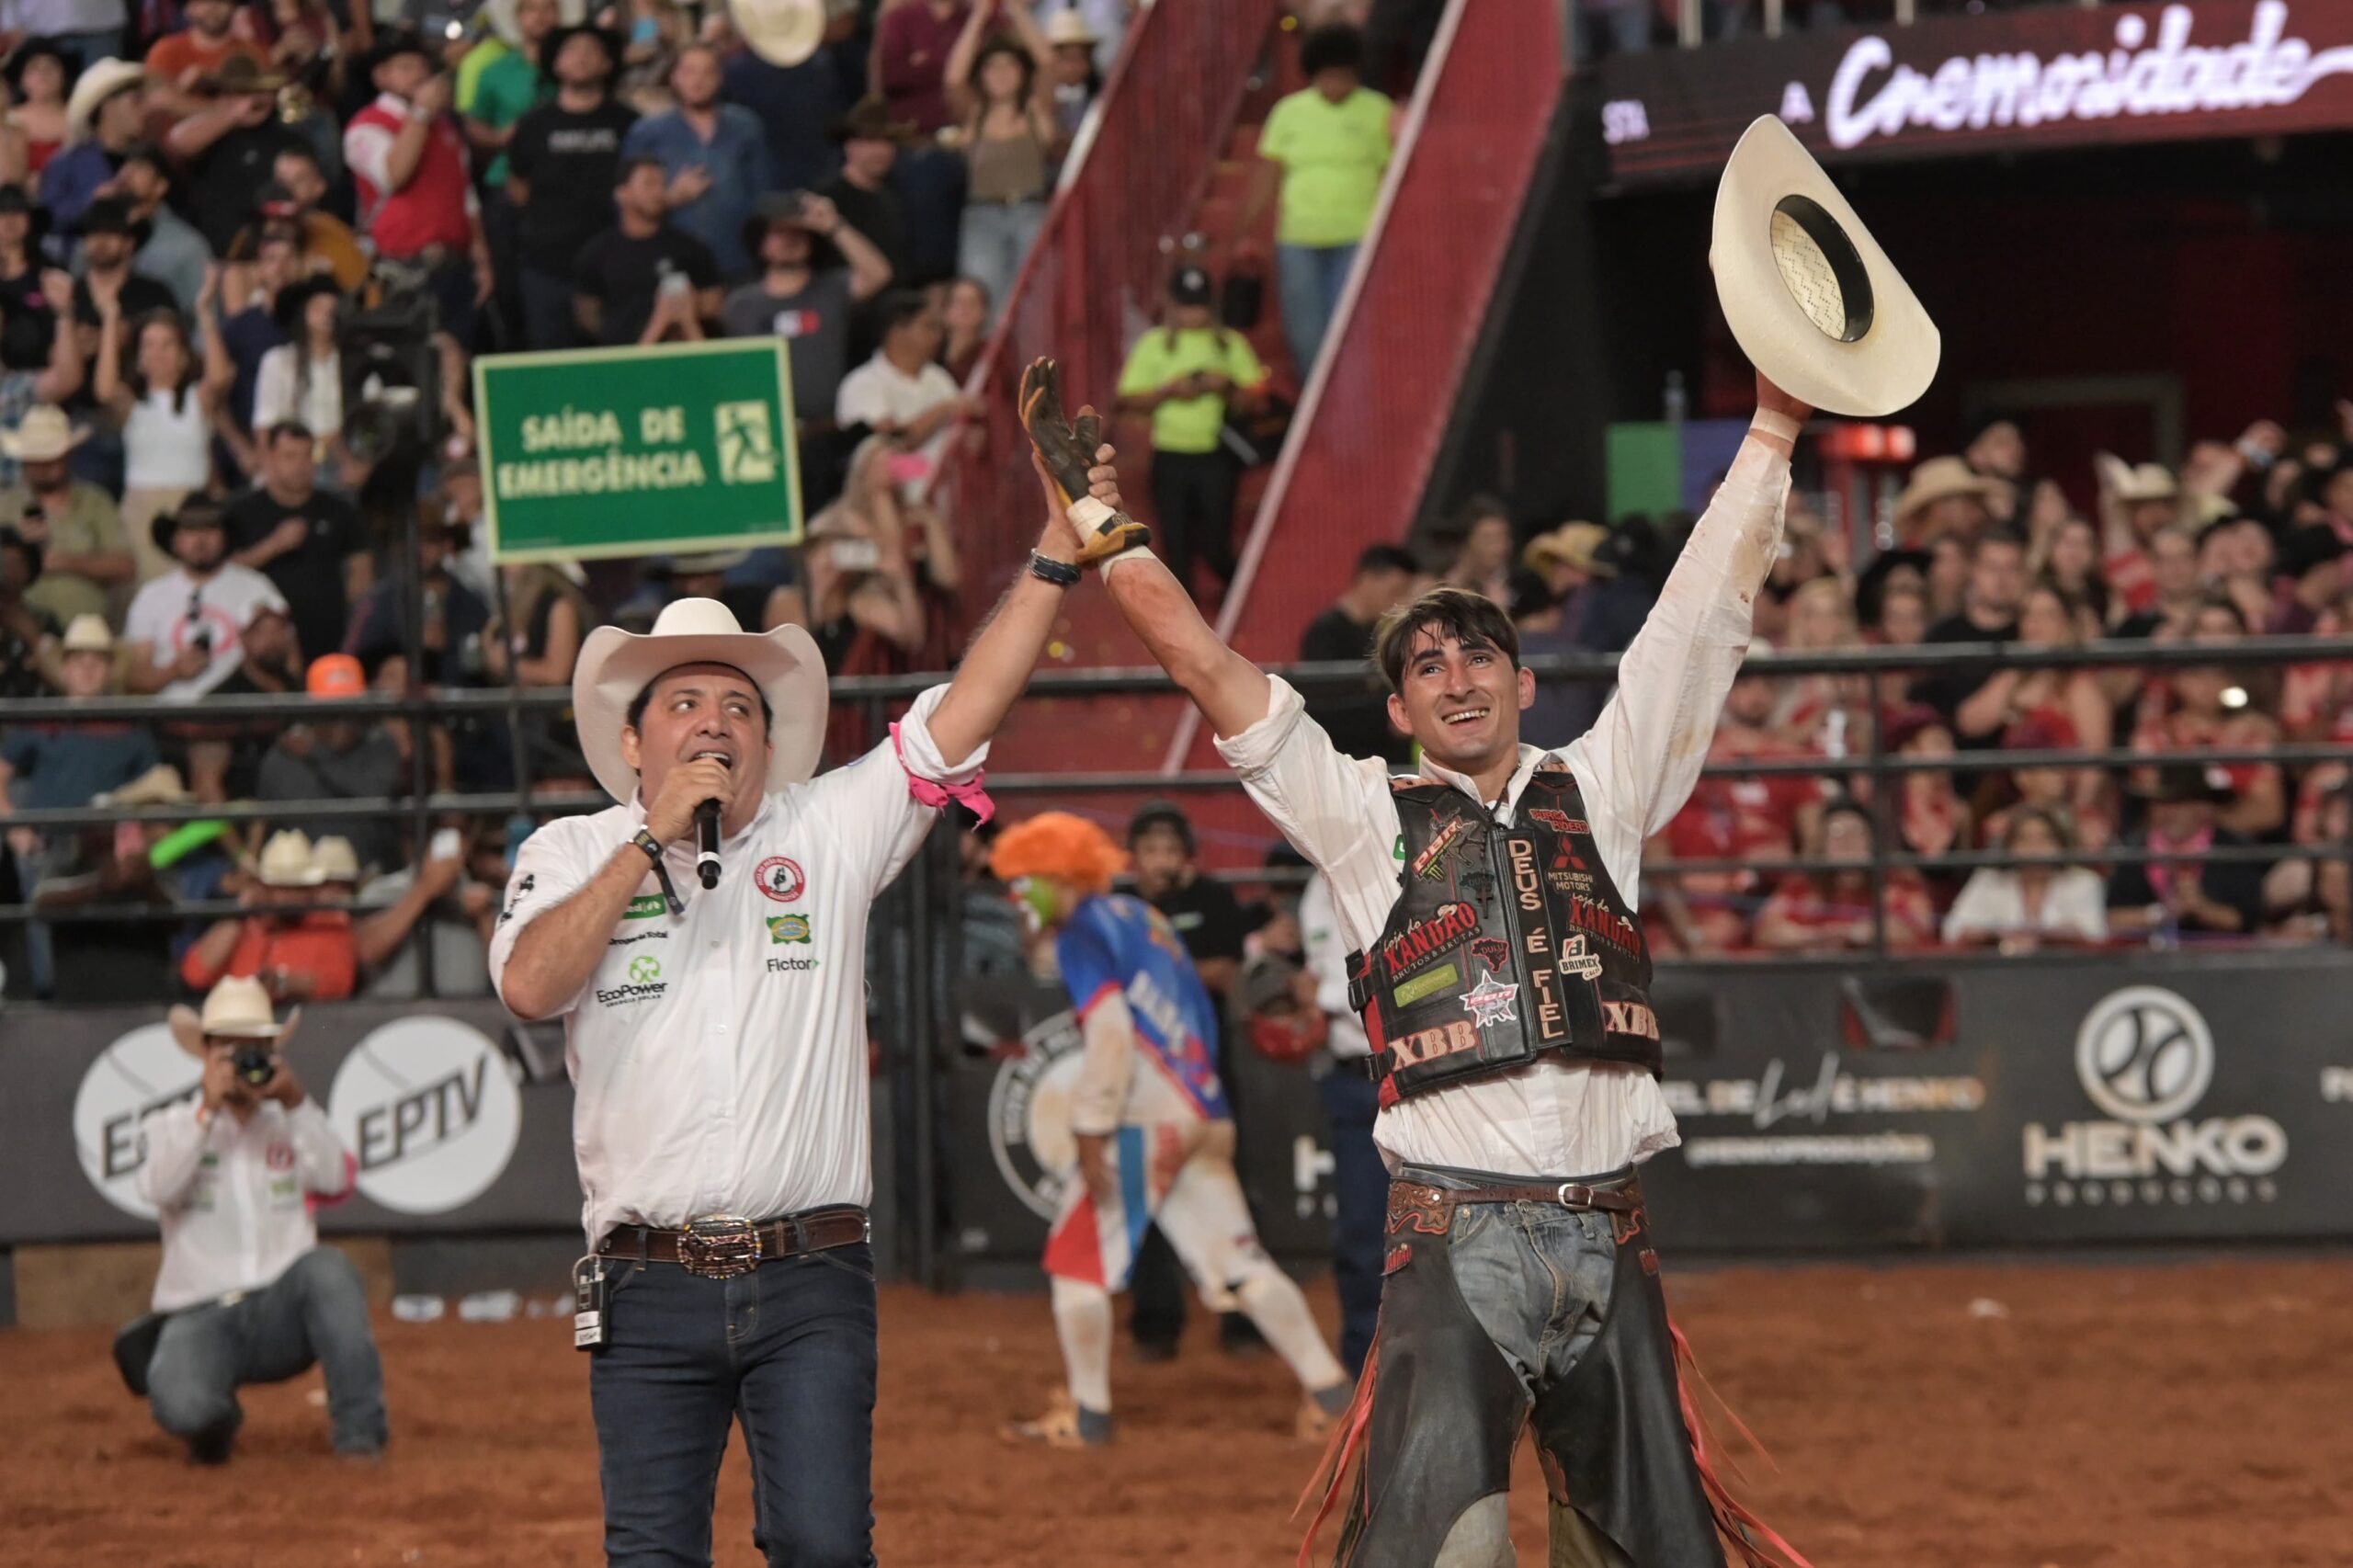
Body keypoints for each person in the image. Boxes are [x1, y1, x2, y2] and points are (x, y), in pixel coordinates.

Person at [1063, 360, 1812, 1563]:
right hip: (1459, 1235)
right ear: (1402, 710)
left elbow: (1700, 617)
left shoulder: (1605, 784)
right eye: (1427, 665)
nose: (1457, 677)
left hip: (1606, 1236)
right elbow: (1210, 668)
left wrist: (1773, 424)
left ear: (1523, 681)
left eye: (1478, 657)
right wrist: (1102, 533)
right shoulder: (1361, 813)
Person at [486, 404, 1133, 1568]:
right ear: (632, 744)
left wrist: (1050, 559)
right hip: (644, 1279)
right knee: (651, 1556)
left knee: (829, 1551)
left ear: (770, 740)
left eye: (740, 705)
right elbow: (531, 985)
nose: (716, 722)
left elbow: (961, 713)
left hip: (811, 1274)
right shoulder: (571, 852)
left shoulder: (825, 828)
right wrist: (649, 845)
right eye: (684, 704)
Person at [985, 811, 1353, 1448]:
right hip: (1202, 1108)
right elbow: (1198, 1011)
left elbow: (1109, 1034)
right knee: (1240, 1263)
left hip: (1142, 1116)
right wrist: (1206, 1103)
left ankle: (1089, 1416)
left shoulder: (1083, 933)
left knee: (1078, 1265)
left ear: (1054, 877)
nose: (1017, 898)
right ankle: (1331, 1398)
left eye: (1024, 883)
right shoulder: (1146, 920)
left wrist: (1092, 1126)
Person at [123, 975, 386, 1463]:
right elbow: (157, 1188)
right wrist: (206, 1111)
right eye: (232, 1051)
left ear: (272, 1052)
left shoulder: (291, 1121)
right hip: (200, 1312)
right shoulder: (171, 1125)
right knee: (182, 1406)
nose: (245, 1064)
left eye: (256, 1050)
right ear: (206, 1054)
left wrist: (296, 1102)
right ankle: (215, 1422)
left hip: (282, 1309)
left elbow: (333, 1180)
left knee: (328, 1270)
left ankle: (360, 1438)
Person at [1238, 20, 1392, 375]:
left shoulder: (1378, 110)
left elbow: (1391, 175)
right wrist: (1245, 230)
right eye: (1327, 76)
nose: (1334, 85)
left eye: (1342, 76)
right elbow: (1267, 176)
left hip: (1357, 239)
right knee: (1305, 336)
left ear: (1356, 73)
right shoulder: (1289, 112)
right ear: (1313, 73)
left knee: (1353, 334)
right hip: (1298, 240)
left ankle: (1352, 417)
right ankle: (1320, 417)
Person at [722, 189, 892, 509]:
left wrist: (833, 225)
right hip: (764, 439)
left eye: (798, 233)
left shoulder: (832, 289)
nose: (789, 240)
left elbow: (879, 274)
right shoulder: (740, 305)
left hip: (826, 435)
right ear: (761, 242)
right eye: (779, 232)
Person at [1112, 262, 1266, 600]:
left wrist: (1224, 386)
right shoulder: (1155, 344)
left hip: (1215, 456)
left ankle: (1246, 594)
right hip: (1170, 457)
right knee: (1176, 549)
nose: (1193, 314)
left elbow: (1256, 396)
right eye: (1186, 305)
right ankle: (1186, 624)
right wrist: (1170, 390)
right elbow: (1128, 397)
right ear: (1173, 305)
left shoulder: (1229, 344)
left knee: (1216, 546)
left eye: (1198, 305)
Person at [343, 31, 495, 343]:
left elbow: (467, 197)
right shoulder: (366, 125)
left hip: (454, 265)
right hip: (401, 269)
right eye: (406, 67)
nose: (419, 75)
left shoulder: (447, 126)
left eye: (422, 67)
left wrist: (481, 258)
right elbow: (394, 174)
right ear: (380, 76)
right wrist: (422, 112)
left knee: (460, 353)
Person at [92, 270, 233, 574]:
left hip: (191, 513)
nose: (158, 353)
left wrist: (204, 314)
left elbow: (220, 376)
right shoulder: (133, 405)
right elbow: (104, 389)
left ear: (183, 355)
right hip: (140, 511)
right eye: (149, 345)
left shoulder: (198, 400)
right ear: (139, 356)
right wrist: (110, 318)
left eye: (168, 344)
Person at [507, 23, 635, 349]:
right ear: (555, 63)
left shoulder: (628, 122)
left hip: (615, 265)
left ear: (608, 64)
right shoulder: (534, 123)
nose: (581, 58)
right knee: (553, 364)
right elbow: (517, 186)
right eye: (571, 51)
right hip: (547, 267)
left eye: (591, 51)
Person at [620, 43, 769, 280]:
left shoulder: (745, 126)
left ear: (720, 77)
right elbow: (627, 204)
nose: (698, 81)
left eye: (707, 72)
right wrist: (671, 198)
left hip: (738, 261)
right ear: (674, 77)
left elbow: (762, 195)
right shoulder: (647, 132)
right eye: (689, 72)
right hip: (668, 263)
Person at [226, 420, 369, 665]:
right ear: (269, 458)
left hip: (329, 638)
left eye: (307, 456)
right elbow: (224, 572)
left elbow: (362, 572)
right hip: (263, 645)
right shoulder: (241, 510)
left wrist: (354, 624)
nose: (301, 466)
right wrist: (273, 545)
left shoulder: (340, 509)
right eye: (290, 456)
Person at [944, 5, 1055, 317]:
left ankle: (1035, 366)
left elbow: (1048, 65)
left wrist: (1017, 10)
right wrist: (979, 15)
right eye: (992, 67)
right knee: (981, 301)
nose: (1002, 74)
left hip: (1030, 212)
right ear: (981, 75)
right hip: (983, 217)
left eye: (1010, 66)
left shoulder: (1035, 112)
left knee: (1037, 301)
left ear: (1023, 73)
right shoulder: (975, 116)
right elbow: (954, 78)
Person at [122, 497, 288, 700]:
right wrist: (174, 671)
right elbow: (135, 680)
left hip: (243, 716)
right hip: (171, 719)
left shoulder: (257, 587)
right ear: (175, 541)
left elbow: (289, 658)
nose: (200, 540)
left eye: (210, 528)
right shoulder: (151, 596)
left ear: (226, 536)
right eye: (190, 530)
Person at [179, 827, 359, 1000]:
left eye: (300, 887)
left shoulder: (327, 925)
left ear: (311, 889)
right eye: (282, 887)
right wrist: (239, 911)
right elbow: (194, 974)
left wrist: (285, 983)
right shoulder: (243, 927)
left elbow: (340, 982)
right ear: (264, 887)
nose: (292, 896)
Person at [1752, 799, 1937, 954]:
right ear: (1823, 844)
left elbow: (1918, 927)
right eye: (1837, 833)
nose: (1847, 841)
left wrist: (1853, 934)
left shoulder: (1899, 880)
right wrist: (1813, 937)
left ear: (1872, 842)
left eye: (1857, 833)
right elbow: (1766, 929)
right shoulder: (1803, 882)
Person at [2106, 767, 2266, 943]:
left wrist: (2201, 908)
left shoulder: (2232, 849)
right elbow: (2112, 918)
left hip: (2218, 961)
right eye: (2160, 803)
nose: (2167, 813)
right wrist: (2161, 913)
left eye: (2177, 803)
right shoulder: (2134, 850)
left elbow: (2247, 919)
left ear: (2203, 807)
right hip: (2146, 963)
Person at [574, 154, 719, 347]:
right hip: (622, 361)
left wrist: (685, 309)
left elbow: (713, 304)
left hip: (680, 357)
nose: (658, 192)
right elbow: (588, 314)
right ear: (622, 193)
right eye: (649, 184)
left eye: (662, 184)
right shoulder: (596, 253)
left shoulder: (689, 248)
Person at [2, 403, 129, 619]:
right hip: (18, 632)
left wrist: (65, 562)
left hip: (82, 636)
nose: (42, 466)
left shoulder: (95, 501)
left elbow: (124, 566)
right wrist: (15, 549)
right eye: (34, 460)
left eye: (49, 458)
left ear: (68, 456)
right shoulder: (5, 504)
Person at [1297, 541, 1417, 766]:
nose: (1399, 601)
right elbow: (1325, 706)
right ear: (1368, 579)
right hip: (1347, 763)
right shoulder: (1325, 634)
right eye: (1395, 591)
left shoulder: (1381, 634)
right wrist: (1385, 718)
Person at [1908, 526, 2025, 750]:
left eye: (2011, 569)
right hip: (1957, 766)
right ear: (1974, 570)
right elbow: (1920, 710)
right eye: (1992, 568)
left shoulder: (2033, 633)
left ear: (2024, 574)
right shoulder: (1942, 636)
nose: (2001, 579)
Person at [1942, 806, 2106, 952]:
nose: (2035, 848)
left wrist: (2039, 936)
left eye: (2045, 839)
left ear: (2060, 845)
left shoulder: (2083, 882)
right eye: (2024, 839)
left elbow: (2094, 933)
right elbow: (1953, 930)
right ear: (2010, 846)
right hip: (1997, 973)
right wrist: (1995, 935)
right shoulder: (1988, 881)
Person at [835, 289, 964, 472]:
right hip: (890, 498)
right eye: (929, 327)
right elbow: (886, 450)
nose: (939, 336)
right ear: (897, 333)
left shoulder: (939, 377)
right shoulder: (862, 384)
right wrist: (943, 410)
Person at [816, 96, 912, 291]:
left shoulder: (894, 198)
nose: (881, 151)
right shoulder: (826, 200)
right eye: (872, 141)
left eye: (888, 142)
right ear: (850, 146)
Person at [106, 140, 212, 313]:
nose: (125, 173)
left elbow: (203, 316)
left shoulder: (186, 246)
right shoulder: (94, 237)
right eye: (124, 165)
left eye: (139, 166)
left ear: (160, 186)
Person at [42, 56, 144, 236]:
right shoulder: (67, 162)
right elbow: (51, 222)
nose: (144, 110)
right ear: (108, 106)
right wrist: (92, 202)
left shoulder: (146, 160)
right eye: (135, 102)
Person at [250, 277, 348, 463]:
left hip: (344, 460)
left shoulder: (352, 361)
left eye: (333, 309)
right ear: (303, 313)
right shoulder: (278, 361)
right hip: (292, 461)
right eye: (318, 308)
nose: (327, 315)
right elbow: (265, 427)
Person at [9, 41, 72, 186]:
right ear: (22, 80)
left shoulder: (79, 117)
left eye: (51, 67)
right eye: (34, 69)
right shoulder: (9, 120)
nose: (43, 75)